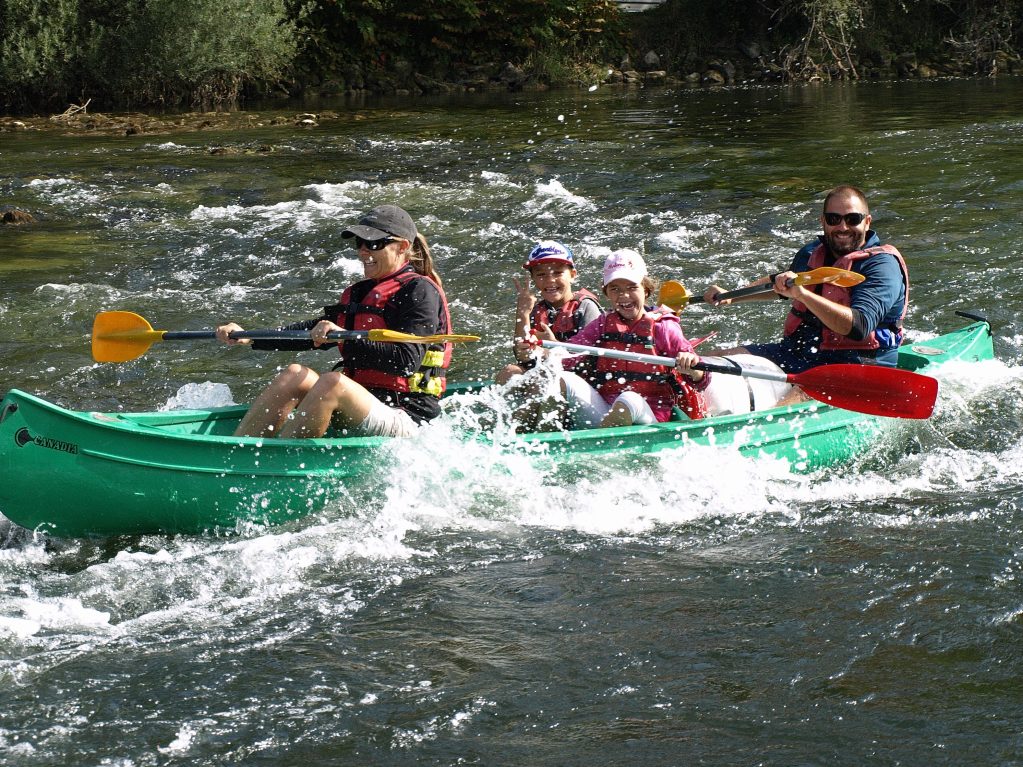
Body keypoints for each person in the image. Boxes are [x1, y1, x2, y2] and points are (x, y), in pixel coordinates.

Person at [216, 204, 452, 439]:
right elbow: (308, 332)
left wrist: (346, 338)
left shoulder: (420, 291)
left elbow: (406, 362)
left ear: (402, 247)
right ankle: (241, 449)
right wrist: (249, 336)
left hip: (407, 417)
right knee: (295, 374)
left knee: (333, 382)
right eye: (359, 243)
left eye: (373, 244)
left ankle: (282, 458)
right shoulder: (361, 292)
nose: (363, 251)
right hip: (360, 407)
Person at [703, 185, 909, 375]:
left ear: (867, 222)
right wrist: (730, 296)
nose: (843, 227)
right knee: (708, 363)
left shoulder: (882, 266)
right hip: (798, 352)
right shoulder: (812, 253)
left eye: (853, 219)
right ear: (823, 221)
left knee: (791, 397)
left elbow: (859, 326)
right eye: (834, 219)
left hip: (856, 363)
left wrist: (803, 295)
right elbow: (779, 284)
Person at [557, 249, 711, 428]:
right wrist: (544, 353)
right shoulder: (602, 324)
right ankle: (544, 438)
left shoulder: (664, 327)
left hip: (649, 415)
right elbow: (567, 356)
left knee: (628, 399)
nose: (624, 295)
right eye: (615, 289)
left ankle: (605, 443)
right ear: (607, 293)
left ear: (645, 289)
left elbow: (702, 380)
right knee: (562, 378)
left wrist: (691, 365)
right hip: (605, 410)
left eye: (632, 287)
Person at [494, 240, 601, 385]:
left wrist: (554, 346)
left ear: (572, 275)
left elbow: (591, 359)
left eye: (557, 273)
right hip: (547, 377)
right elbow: (522, 357)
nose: (550, 280)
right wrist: (523, 314)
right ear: (533, 278)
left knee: (543, 379)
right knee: (509, 372)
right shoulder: (536, 310)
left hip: (581, 382)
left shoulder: (586, 307)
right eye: (541, 274)